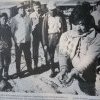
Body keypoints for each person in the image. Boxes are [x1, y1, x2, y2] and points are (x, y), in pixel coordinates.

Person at [56, 4, 99, 96]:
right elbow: (63, 54)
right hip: (71, 79)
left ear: (87, 23)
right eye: (75, 24)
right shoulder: (66, 36)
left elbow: (88, 59)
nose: (77, 28)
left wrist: (74, 72)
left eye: (81, 24)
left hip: (87, 82)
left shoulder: (95, 37)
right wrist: (63, 69)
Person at [42, 2, 64, 78]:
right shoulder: (46, 18)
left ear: (56, 9)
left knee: (61, 55)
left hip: (59, 37)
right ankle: (52, 70)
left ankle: (62, 70)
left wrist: (64, 38)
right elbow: (44, 31)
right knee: (51, 56)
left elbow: (64, 28)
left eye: (54, 10)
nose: (52, 11)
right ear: (48, 10)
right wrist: (45, 43)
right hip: (50, 38)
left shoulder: (60, 16)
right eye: (51, 10)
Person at [11, 4, 33, 77]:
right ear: (18, 10)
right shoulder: (14, 19)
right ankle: (18, 72)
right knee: (18, 57)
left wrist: (28, 37)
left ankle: (29, 69)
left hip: (26, 41)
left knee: (28, 56)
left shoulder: (28, 18)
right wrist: (15, 40)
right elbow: (12, 31)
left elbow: (30, 29)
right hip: (18, 42)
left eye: (23, 8)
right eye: (20, 9)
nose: (22, 10)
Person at [30, 1, 43, 70]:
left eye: (38, 7)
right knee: (35, 50)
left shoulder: (43, 14)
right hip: (35, 35)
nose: (37, 9)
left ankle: (47, 62)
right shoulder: (31, 15)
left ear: (40, 7)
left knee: (45, 49)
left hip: (42, 34)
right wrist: (32, 27)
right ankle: (35, 65)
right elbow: (29, 26)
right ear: (33, 7)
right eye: (35, 7)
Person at [0, 13, 12, 80]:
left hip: (7, 49)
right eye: (3, 19)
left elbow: (10, 37)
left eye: (6, 19)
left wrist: (10, 45)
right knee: (1, 65)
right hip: (0, 49)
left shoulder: (8, 27)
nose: (4, 20)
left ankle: (6, 74)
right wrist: (3, 44)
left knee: (7, 62)